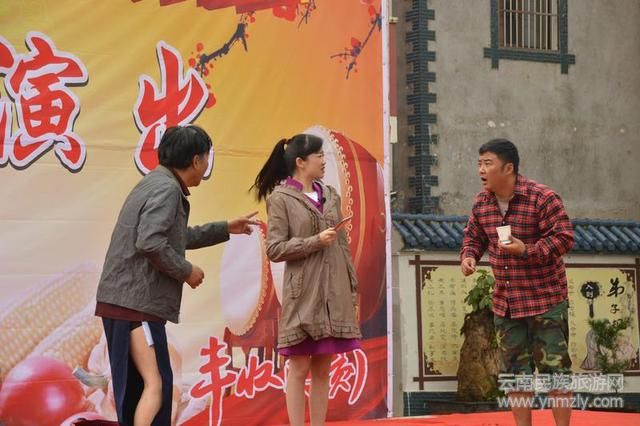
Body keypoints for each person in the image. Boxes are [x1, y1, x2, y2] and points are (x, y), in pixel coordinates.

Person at [95, 125, 259, 426]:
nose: (206, 166)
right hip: (136, 305)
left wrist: (225, 228)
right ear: (196, 160)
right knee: (156, 384)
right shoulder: (167, 189)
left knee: (139, 386)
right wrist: (186, 271)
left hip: (125, 302)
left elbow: (174, 236)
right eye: (206, 158)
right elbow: (150, 242)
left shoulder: (155, 182)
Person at [460, 139, 574, 426]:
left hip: (545, 301)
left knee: (555, 373)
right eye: (479, 164)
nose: (481, 170)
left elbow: (564, 239)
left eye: (488, 163)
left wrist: (527, 250)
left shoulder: (542, 198)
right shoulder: (482, 203)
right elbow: (474, 236)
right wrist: (469, 256)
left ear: (508, 168)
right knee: (514, 375)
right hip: (507, 304)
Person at [252, 134, 361, 426]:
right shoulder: (281, 198)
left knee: (323, 369)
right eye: (319, 156)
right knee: (299, 367)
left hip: (334, 292)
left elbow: (342, 246)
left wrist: (351, 287)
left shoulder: (331, 195)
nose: (324, 161)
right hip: (303, 294)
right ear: (301, 162)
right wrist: (314, 241)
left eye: (324, 155)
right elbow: (275, 249)